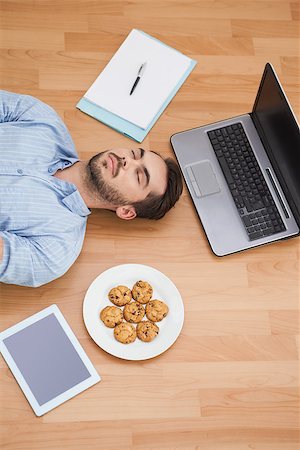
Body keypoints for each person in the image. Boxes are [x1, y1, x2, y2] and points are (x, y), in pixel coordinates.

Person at [0, 91, 183, 287]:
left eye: (138, 176)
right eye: (134, 153)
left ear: (127, 211)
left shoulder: (55, 249)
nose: (126, 160)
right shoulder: (44, 120)